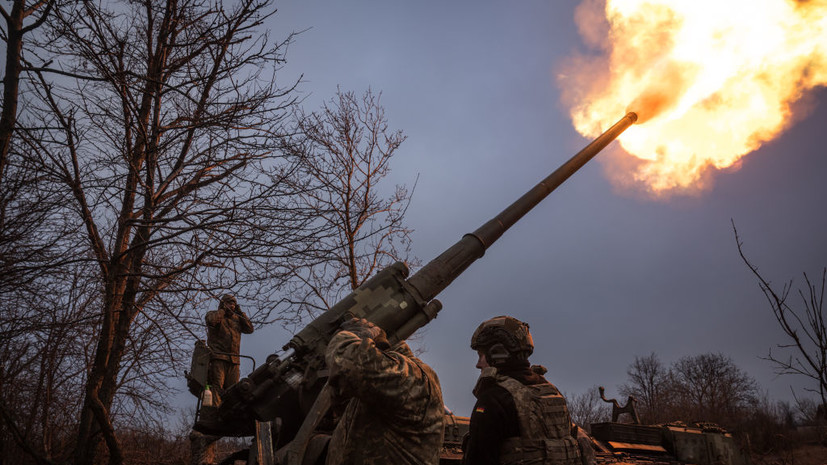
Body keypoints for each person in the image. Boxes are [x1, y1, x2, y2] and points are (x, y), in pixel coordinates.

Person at [462, 315, 581, 465]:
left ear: (497, 352)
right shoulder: (552, 391)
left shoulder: (493, 399)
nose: (478, 364)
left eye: (481, 356)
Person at [324, 317, 445, 465]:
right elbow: (342, 400)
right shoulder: (379, 389)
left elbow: (348, 364)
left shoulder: (414, 379)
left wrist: (351, 335)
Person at [205, 293, 254, 402]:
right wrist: (222, 310)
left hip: (234, 360)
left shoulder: (237, 319)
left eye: (234, 304)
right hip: (219, 357)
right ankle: (215, 410)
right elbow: (212, 321)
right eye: (229, 303)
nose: (232, 306)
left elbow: (250, 329)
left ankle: (229, 411)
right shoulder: (214, 314)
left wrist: (240, 312)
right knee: (217, 387)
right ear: (223, 304)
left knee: (233, 390)